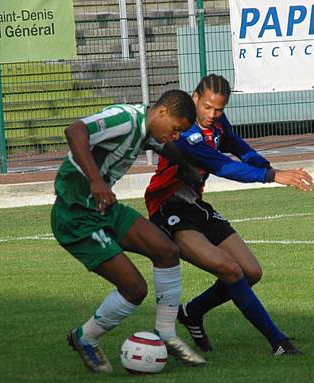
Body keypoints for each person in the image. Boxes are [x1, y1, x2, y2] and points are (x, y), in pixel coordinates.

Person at [144, 74, 314, 356]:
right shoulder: (183, 133)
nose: (212, 115)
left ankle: (192, 312)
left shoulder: (217, 124)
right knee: (230, 268)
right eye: (207, 107)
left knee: (251, 272)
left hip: (196, 205)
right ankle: (278, 341)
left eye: (219, 109)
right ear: (195, 98)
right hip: (168, 207)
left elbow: (236, 146)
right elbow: (223, 166)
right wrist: (271, 176)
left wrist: (266, 165)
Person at [51, 90, 206, 373]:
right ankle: (86, 336)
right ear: (161, 113)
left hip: (104, 209)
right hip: (76, 216)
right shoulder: (124, 119)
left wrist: (186, 168)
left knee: (167, 251)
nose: (174, 136)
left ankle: (166, 334)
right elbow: (74, 131)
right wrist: (96, 181)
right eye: (175, 129)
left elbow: (166, 147)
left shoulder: (148, 129)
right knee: (134, 289)